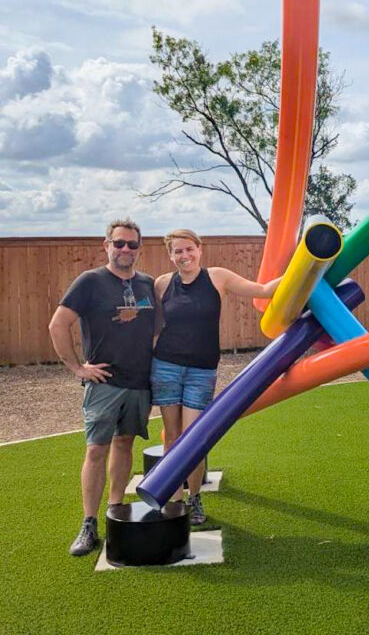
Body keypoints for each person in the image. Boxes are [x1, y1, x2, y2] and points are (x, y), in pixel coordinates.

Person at [152, 229, 282, 525]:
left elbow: (262, 291)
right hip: (165, 367)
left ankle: (194, 497)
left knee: (193, 438)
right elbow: (150, 327)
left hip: (202, 370)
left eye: (189, 249)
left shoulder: (217, 277)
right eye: (177, 251)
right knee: (171, 436)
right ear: (170, 255)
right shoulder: (161, 284)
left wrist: (304, 274)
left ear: (199, 249)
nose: (184, 256)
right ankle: (173, 500)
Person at [48, 218, 155, 556]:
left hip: (139, 381)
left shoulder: (148, 283)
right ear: (106, 245)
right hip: (104, 383)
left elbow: (156, 327)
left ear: (140, 248)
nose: (125, 249)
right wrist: (77, 366)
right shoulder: (90, 281)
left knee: (124, 444)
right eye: (119, 243)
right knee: (96, 449)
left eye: (132, 244)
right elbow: (58, 324)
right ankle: (88, 523)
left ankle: (115, 510)